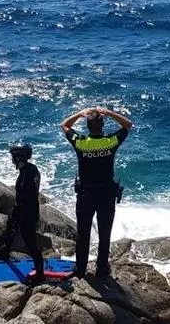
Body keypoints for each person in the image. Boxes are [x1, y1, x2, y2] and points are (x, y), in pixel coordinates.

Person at [61, 106, 133, 278]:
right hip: (106, 195)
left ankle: (80, 269)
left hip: (85, 195)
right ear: (102, 126)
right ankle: (101, 268)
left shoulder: (81, 142)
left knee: (83, 233)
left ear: (87, 127)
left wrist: (79, 114)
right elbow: (128, 125)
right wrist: (108, 112)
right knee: (104, 233)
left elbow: (64, 125)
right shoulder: (110, 142)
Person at [4, 142, 44, 284]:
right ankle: (4, 251)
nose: (12, 159)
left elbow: (25, 196)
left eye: (13, 156)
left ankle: (40, 274)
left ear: (19, 158)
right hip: (28, 208)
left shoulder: (26, 174)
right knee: (10, 226)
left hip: (27, 211)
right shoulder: (31, 169)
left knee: (31, 243)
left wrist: (19, 212)